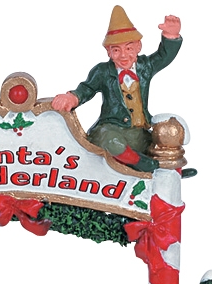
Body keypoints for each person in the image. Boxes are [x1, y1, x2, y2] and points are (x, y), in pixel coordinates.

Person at [52, 6, 185, 174]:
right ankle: (141, 163)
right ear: (108, 52)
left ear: (138, 47)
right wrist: (72, 97)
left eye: (128, 48)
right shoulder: (102, 71)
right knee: (112, 141)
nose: (123, 55)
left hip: (139, 131)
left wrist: (171, 37)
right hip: (111, 128)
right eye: (116, 50)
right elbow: (87, 88)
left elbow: (163, 57)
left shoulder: (145, 67)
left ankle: (172, 172)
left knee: (168, 134)